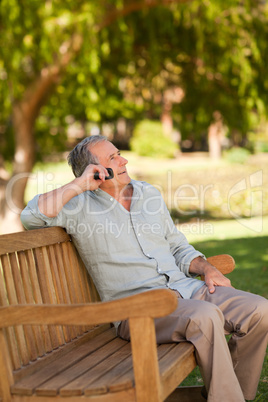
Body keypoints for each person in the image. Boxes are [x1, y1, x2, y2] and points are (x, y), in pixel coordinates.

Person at [21, 135, 268, 402]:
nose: (123, 160)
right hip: (138, 308)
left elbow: (176, 246)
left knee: (260, 311)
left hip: (187, 290)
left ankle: (234, 396)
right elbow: (30, 217)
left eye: (119, 153)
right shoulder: (77, 206)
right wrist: (80, 184)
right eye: (113, 158)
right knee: (206, 316)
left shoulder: (147, 193)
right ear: (95, 171)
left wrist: (207, 268)